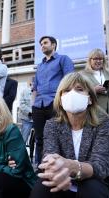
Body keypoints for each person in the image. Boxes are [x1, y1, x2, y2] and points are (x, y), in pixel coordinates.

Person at [25, 72, 109, 198]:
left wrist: (72, 167)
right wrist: (53, 166)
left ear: (90, 99)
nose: (72, 94)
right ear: (60, 98)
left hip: (99, 191)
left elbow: (100, 166)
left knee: (90, 186)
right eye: (67, 90)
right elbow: (49, 155)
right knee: (43, 185)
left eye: (79, 89)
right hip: (65, 191)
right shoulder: (52, 125)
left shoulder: (104, 123)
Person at [32, 36, 74, 165]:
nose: (42, 46)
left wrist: (63, 101)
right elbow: (35, 88)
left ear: (54, 44)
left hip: (55, 102)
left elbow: (70, 80)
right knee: (39, 138)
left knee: (59, 136)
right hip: (38, 105)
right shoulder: (39, 66)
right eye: (41, 44)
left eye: (45, 43)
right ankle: (41, 167)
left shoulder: (63, 59)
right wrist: (32, 105)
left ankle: (60, 166)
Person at [80, 49, 109, 120]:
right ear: (90, 60)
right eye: (95, 59)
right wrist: (93, 90)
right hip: (93, 113)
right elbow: (79, 93)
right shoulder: (82, 75)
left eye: (100, 59)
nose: (98, 61)